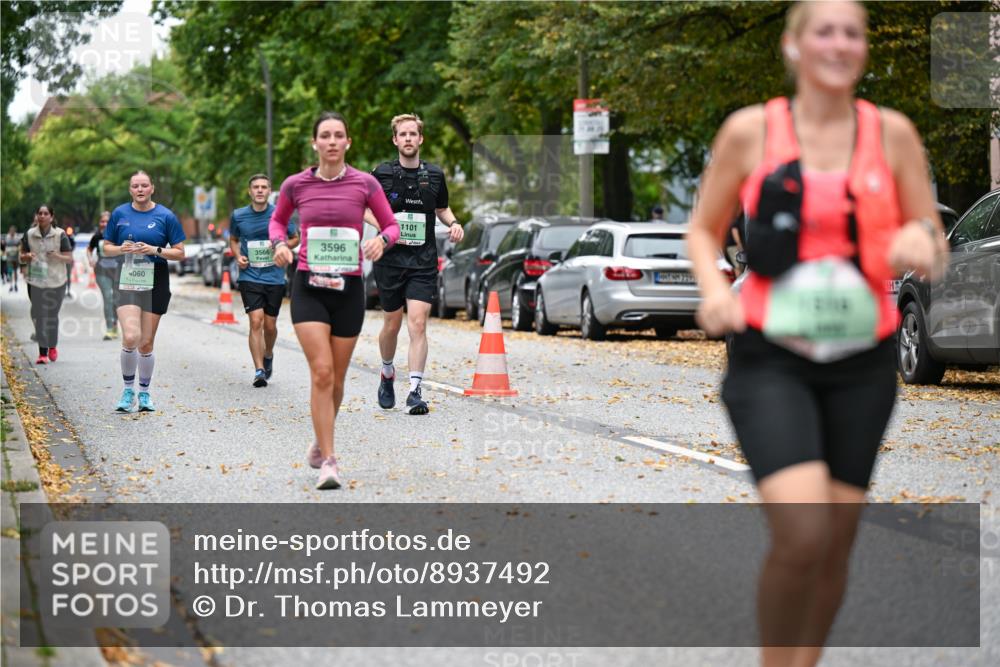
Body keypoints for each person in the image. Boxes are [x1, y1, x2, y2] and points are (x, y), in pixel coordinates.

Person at [686, 3, 948, 666]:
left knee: (834, 541)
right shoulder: (752, 131)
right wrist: (717, 291)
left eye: (852, 33)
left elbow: (932, 237)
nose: (839, 44)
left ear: (864, 48)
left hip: (862, 362)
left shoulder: (892, 134)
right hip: (771, 356)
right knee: (804, 531)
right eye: (823, 31)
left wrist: (917, 240)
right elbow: (702, 228)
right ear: (794, 46)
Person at [271, 111, 400, 490]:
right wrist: (279, 244)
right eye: (324, 135)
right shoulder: (296, 185)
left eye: (338, 135)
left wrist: (382, 240)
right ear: (315, 143)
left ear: (347, 143)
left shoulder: (365, 184)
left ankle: (319, 438)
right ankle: (330, 460)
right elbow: (278, 222)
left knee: (338, 380)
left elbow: (390, 224)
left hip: (349, 290)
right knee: (322, 372)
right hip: (309, 287)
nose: (331, 141)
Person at [366, 113, 463, 415]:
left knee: (418, 323)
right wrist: (385, 228)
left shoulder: (434, 174)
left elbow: (442, 207)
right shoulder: (381, 174)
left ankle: (415, 391)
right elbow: (364, 208)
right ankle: (386, 372)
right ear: (395, 140)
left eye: (413, 134)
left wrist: (455, 223)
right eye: (402, 134)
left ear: (420, 139)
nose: (408, 139)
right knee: (392, 325)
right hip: (390, 260)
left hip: (422, 260)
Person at [100, 171, 186, 413]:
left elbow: (180, 252)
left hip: (155, 279)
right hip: (127, 277)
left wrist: (155, 249)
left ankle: (145, 393)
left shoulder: (165, 216)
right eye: (135, 186)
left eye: (144, 185)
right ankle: (128, 391)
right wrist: (120, 249)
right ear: (130, 190)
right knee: (130, 337)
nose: (139, 189)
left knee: (146, 343)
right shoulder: (119, 214)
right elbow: (106, 249)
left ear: (152, 189)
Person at [229, 174, 299, 387]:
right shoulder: (238, 215)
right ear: (249, 191)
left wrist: (281, 246)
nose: (260, 190)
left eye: (264, 187)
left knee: (270, 325)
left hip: (274, 276)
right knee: (255, 321)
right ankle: (259, 370)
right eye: (256, 187)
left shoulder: (280, 214)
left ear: (269, 191)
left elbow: (296, 238)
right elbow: (233, 239)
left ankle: (268, 353)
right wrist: (237, 256)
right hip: (249, 276)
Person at [19, 205, 73, 364]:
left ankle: (52, 346)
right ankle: (42, 353)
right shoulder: (29, 234)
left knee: (51, 315)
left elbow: (69, 258)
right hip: (35, 280)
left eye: (45, 213)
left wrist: (57, 255)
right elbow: (21, 256)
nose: (42, 216)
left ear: (51, 216)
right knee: (40, 315)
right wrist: (26, 256)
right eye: (39, 213)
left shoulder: (60, 234)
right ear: (36, 216)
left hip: (57, 280)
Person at [87, 211, 120, 340]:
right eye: (102, 221)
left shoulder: (118, 236)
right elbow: (89, 249)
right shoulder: (97, 236)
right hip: (102, 271)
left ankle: (115, 325)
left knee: (117, 300)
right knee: (108, 297)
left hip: (117, 271)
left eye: (107, 221)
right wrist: (90, 259)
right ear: (99, 223)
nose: (105, 224)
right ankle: (109, 329)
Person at [63, 226, 76, 299]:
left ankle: (68, 290)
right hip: (63, 260)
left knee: (68, 276)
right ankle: (64, 291)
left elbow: (73, 248)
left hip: (69, 259)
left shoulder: (72, 239)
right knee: (63, 276)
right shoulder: (63, 238)